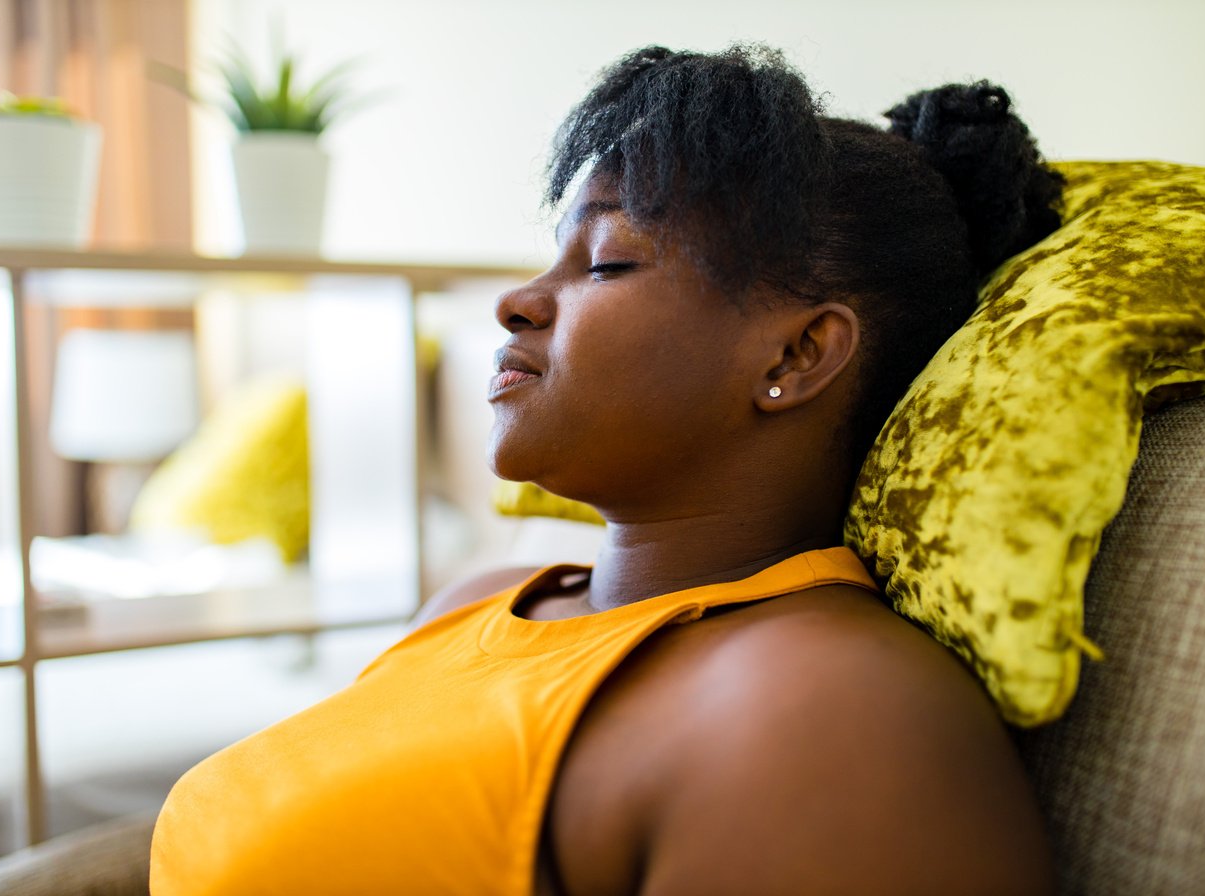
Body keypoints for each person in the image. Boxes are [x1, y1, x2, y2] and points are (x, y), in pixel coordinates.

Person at [151, 45, 1062, 895]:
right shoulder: (482, 600)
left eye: (607, 260)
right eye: (552, 254)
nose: (517, 302)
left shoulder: (821, 710)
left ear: (796, 355)